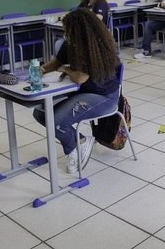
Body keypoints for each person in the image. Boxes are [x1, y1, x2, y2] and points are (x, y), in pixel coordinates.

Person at [33, 9, 120, 174]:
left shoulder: (94, 46)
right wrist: (43, 69)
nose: (65, 33)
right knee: (40, 113)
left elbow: (80, 78)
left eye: (67, 30)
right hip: (82, 92)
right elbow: (58, 61)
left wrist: (65, 69)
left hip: (104, 97)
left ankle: (75, 146)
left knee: (57, 121)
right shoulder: (72, 42)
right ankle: (79, 141)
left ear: (78, 30)